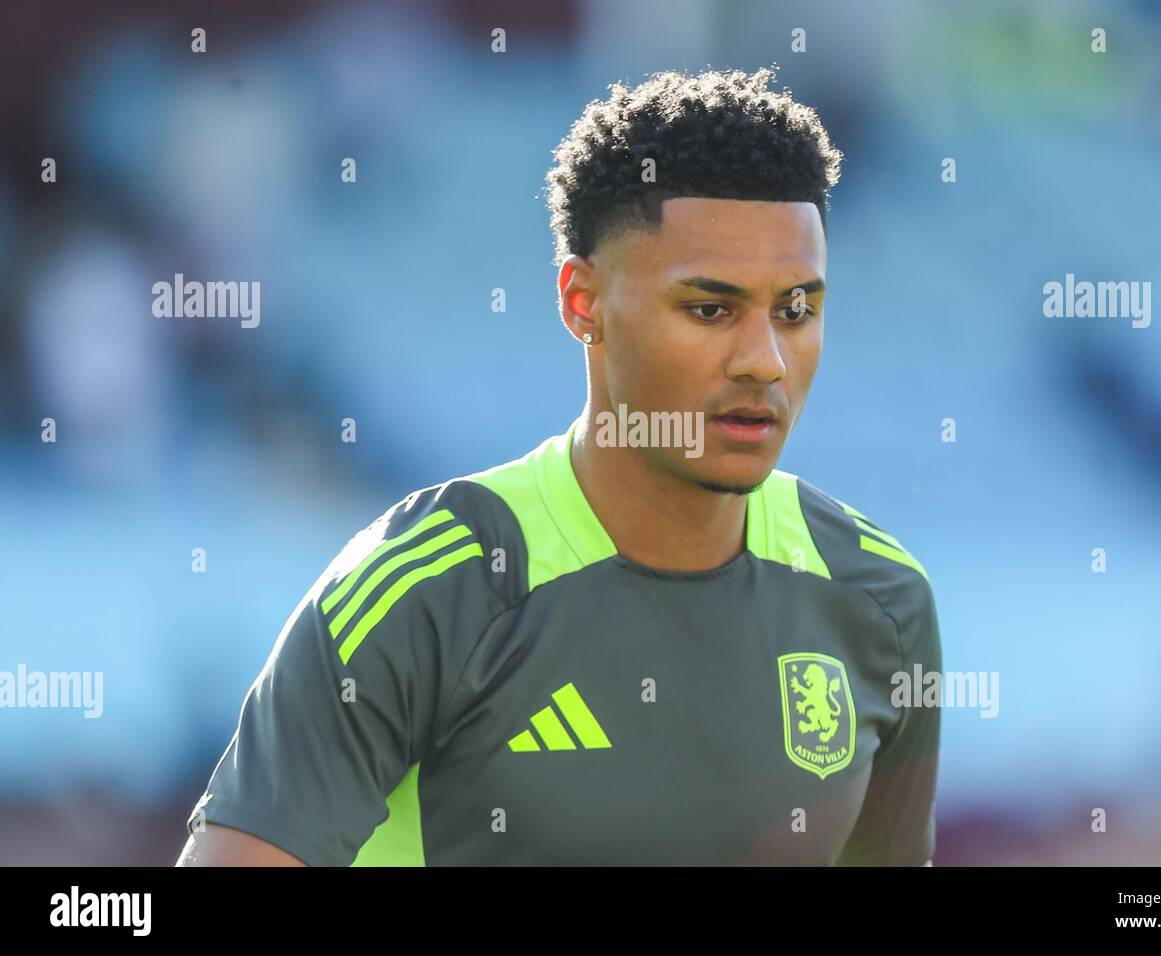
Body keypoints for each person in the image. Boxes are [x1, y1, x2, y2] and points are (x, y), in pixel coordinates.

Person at [178, 66, 941, 867]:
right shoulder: (429, 590)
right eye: (710, 309)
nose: (765, 361)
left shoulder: (881, 601)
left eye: (796, 310)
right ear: (583, 303)